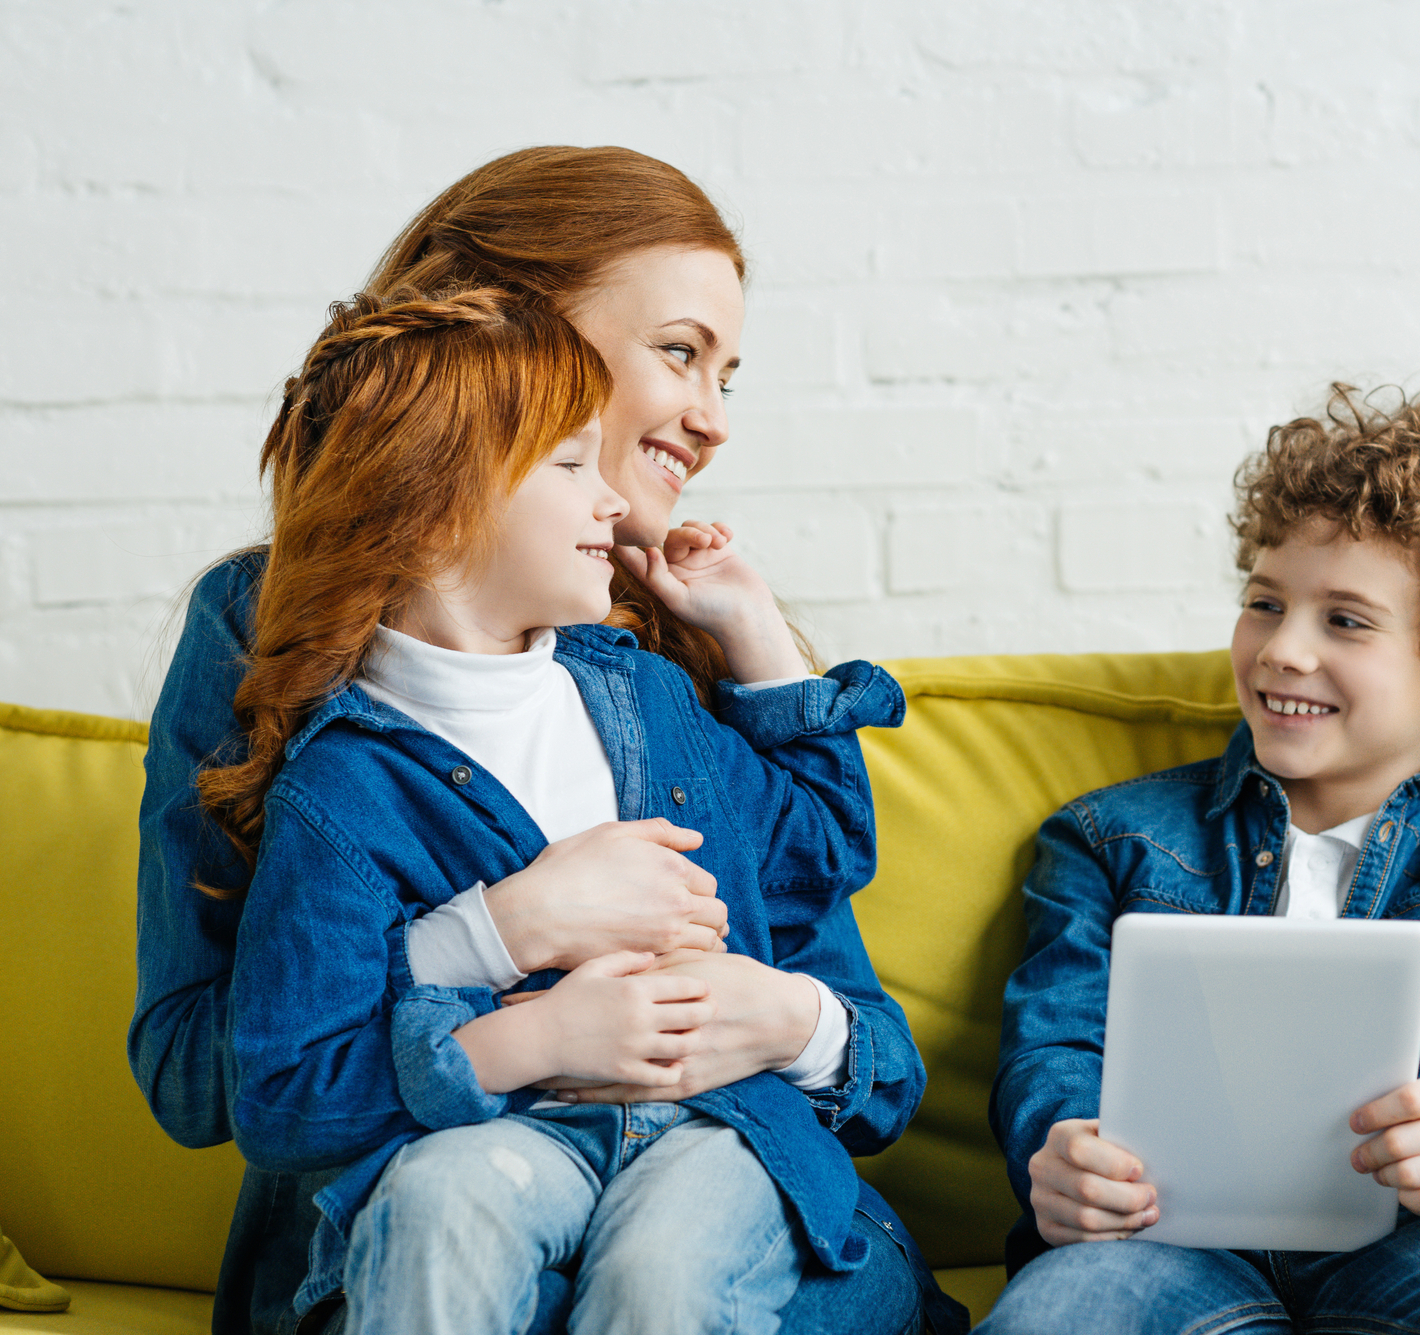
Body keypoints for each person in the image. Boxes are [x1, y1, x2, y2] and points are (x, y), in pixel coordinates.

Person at [130, 147, 962, 1335]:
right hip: (422, 1234)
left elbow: (859, 1024)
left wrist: (788, 1020)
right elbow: (206, 1074)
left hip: (701, 1221)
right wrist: (491, 938)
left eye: (729, 374)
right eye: (679, 352)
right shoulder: (268, 635)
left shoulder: (681, 658)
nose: (713, 418)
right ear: (512, 337)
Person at [980, 380, 1420, 1333]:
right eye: (1265, 603)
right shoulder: (1108, 836)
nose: (1281, 650)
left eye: (1344, 620)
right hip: (1162, 1238)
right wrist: (1056, 1147)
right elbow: (1055, 1050)